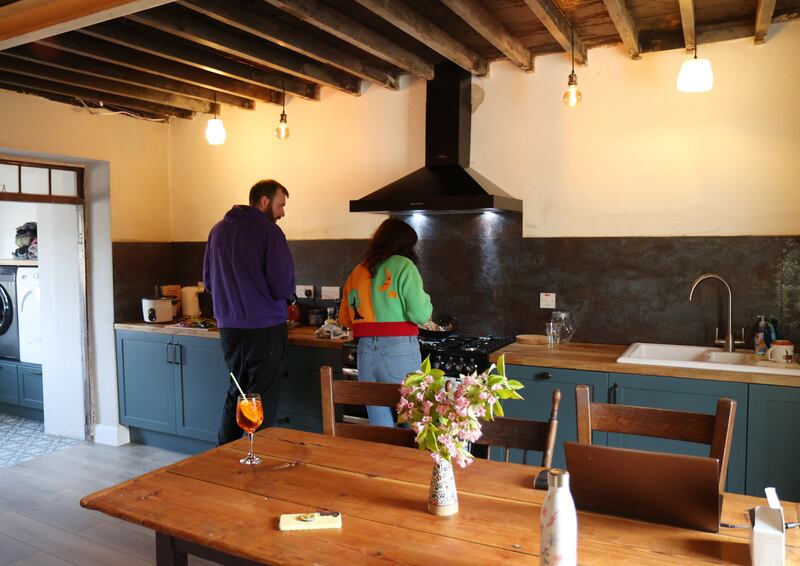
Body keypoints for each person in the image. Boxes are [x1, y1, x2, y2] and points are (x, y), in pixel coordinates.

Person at [203, 179, 295, 445]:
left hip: (229, 329)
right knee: (261, 398)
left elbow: (208, 283)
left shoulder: (217, 231)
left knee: (237, 392)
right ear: (264, 201)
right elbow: (281, 286)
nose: (282, 213)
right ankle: (258, 457)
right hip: (265, 329)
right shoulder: (270, 232)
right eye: (280, 205)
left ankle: (225, 455)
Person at [338, 218, 433, 427]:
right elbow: (420, 314)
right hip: (398, 350)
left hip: (365, 352)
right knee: (413, 422)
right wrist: (426, 300)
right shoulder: (404, 266)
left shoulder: (358, 271)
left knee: (380, 425)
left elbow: (344, 318)